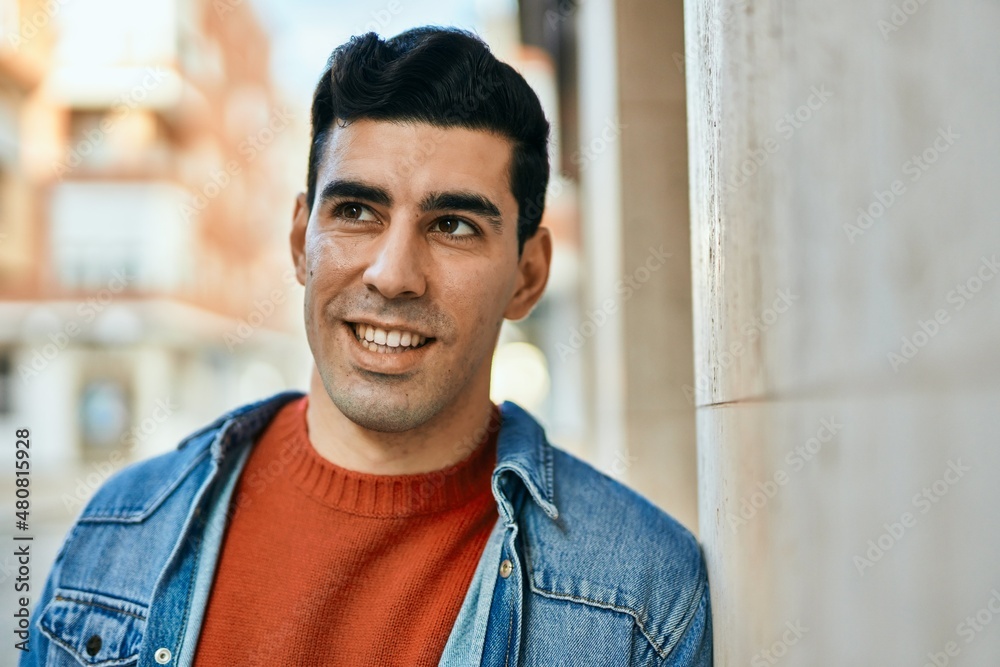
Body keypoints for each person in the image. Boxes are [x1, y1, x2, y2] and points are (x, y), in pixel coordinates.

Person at [22, 27, 711, 667]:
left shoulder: (640, 600)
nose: (392, 274)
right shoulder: (118, 533)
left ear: (528, 274)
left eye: (454, 225)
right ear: (301, 241)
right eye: (356, 211)